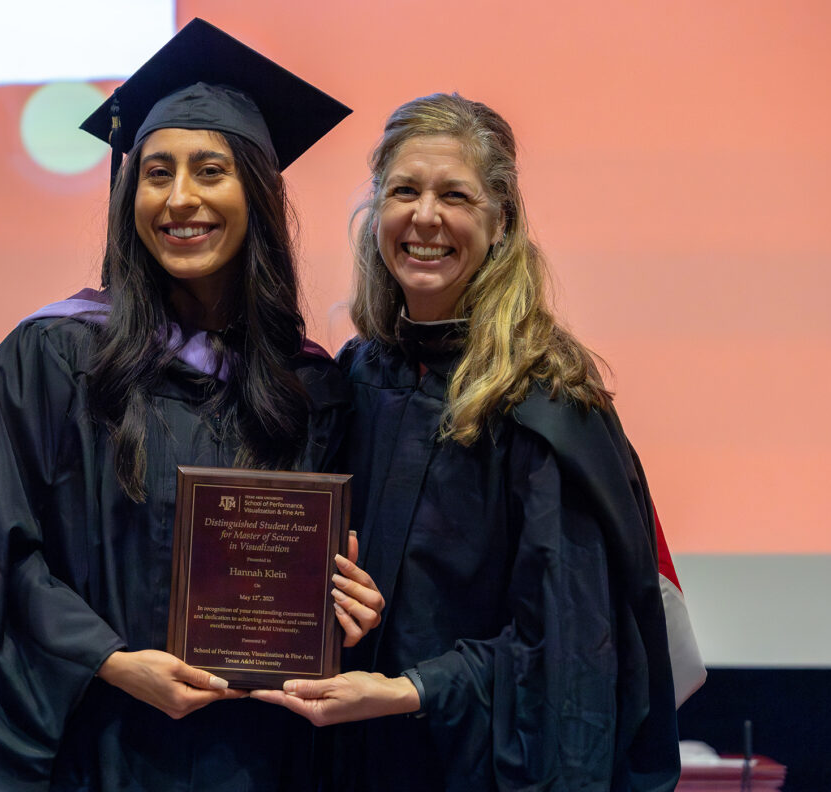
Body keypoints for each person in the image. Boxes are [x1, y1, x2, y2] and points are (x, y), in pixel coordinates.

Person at [0, 19, 383, 791]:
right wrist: (107, 660)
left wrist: (349, 599)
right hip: (100, 752)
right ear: (128, 192)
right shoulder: (54, 359)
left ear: (258, 193)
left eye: (211, 170)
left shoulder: (310, 387)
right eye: (156, 172)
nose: (180, 200)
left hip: (259, 757)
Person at [251, 93, 681, 790]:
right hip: (353, 758)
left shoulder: (544, 401)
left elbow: (567, 652)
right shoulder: (359, 378)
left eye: (456, 195)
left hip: (478, 768)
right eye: (404, 191)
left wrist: (410, 689)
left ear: (500, 221)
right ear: (377, 212)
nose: (425, 218)